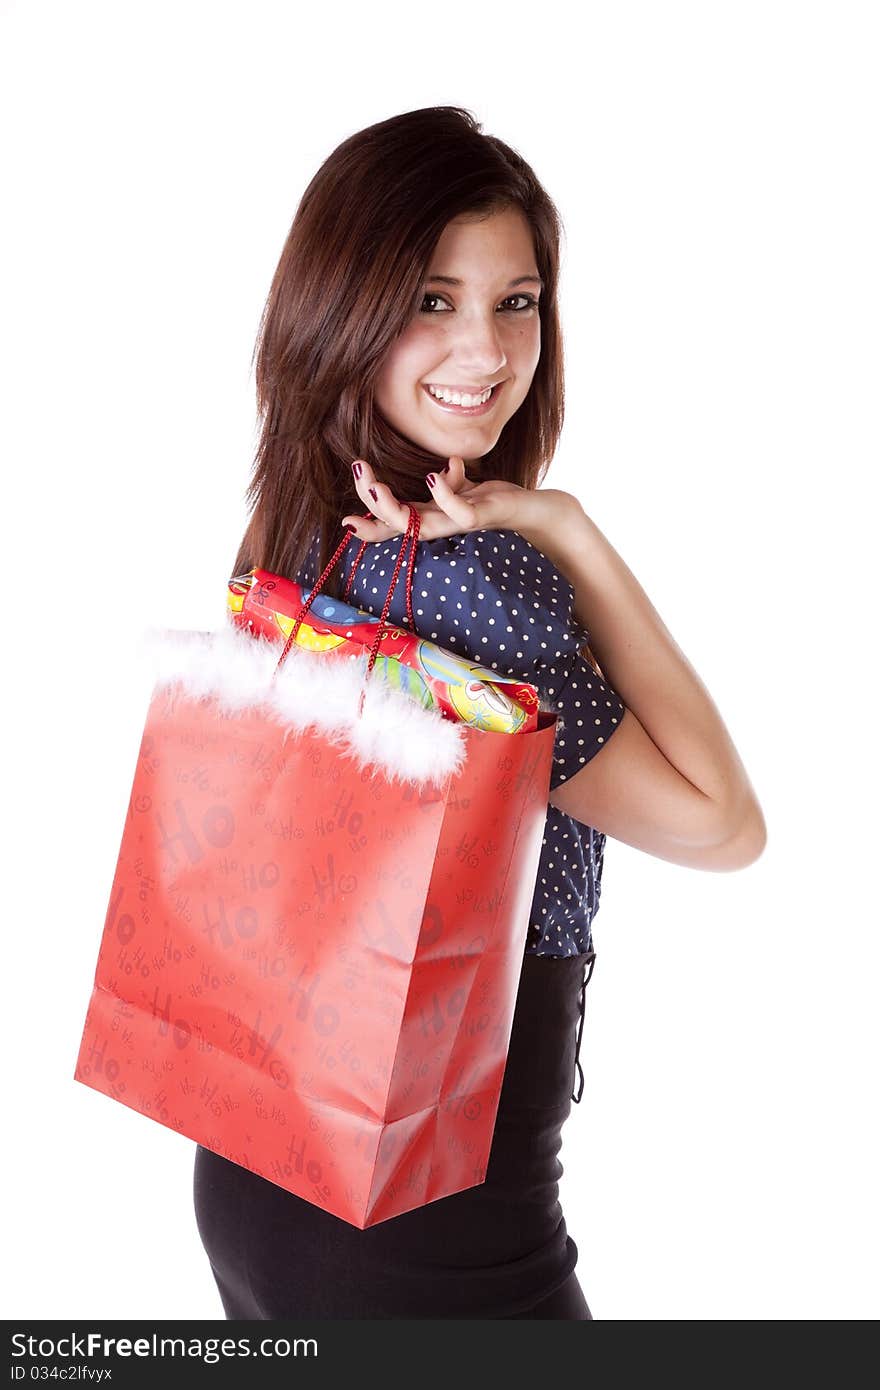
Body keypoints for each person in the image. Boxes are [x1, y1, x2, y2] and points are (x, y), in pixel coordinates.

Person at [192, 105, 767, 1320]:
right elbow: (722, 826)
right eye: (432, 298)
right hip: (426, 1215)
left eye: (517, 300)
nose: (487, 349)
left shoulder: (299, 516)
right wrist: (566, 528)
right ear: (343, 305)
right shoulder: (485, 585)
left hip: (253, 1164)